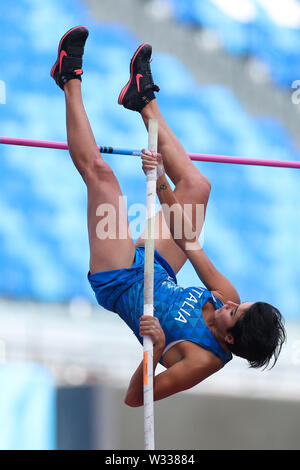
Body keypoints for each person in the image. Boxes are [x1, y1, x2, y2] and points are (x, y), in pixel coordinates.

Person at [51, 26, 286, 407]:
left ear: (229, 339)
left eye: (233, 313)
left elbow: (133, 399)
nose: (229, 303)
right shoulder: (229, 298)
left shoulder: (200, 361)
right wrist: (161, 183)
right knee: (197, 187)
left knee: (102, 176)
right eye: (239, 304)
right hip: (158, 267)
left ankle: (68, 78)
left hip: (122, 280)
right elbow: (189, 244)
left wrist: (155, 349)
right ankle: (142, 101)